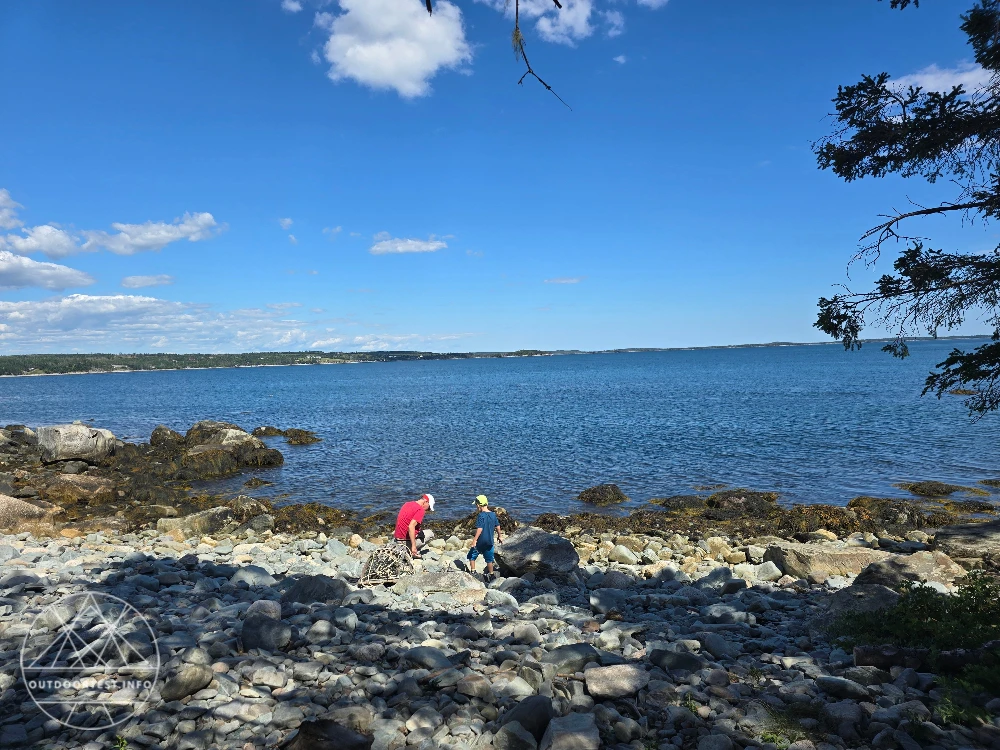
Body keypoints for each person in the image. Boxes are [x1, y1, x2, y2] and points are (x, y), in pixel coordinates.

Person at [466, 495, 503, 581]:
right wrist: (500, 536)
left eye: (476, 505)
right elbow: (498, 526)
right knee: (489, 559)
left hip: (480, 541)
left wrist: (474, 540)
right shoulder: (493, 515)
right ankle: (491, 574)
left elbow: (480, 529)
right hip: (490, 542)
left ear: (478, 505)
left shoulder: (481, 515)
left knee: (472, 555)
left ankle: (473, 572)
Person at [394, 493, 434, 558]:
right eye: (429, 507)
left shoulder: (407, 504)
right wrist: (414, 546)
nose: (428, 510)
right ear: (425, 502)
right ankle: (412, 551)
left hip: (397, 539)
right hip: (405, 543)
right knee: (430, 533)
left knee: (419, 531)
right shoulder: (420, 510)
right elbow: (411, 526)